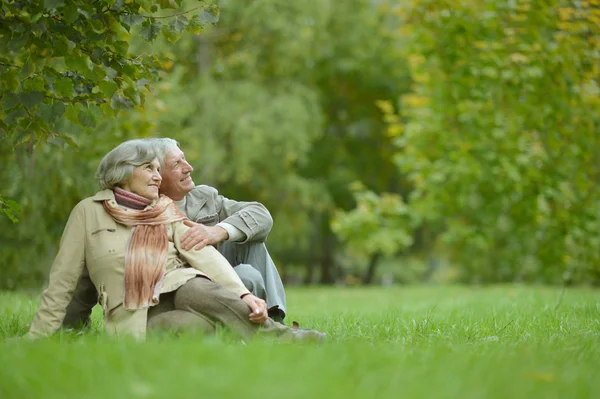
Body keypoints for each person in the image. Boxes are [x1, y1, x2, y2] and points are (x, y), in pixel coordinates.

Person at [26, 140, 322, 341]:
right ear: (124, 172)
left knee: (198, 282)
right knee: (193, 328)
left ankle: (277, 337)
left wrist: (243, 293)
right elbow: (67, 279)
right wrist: (45, 334)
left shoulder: (164, 209)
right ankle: (254, 338)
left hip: (190, 288)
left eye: (158, 169)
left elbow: (207, 257)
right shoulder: (88, 212)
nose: (156, 177)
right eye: (150, 169)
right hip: (139, 313)